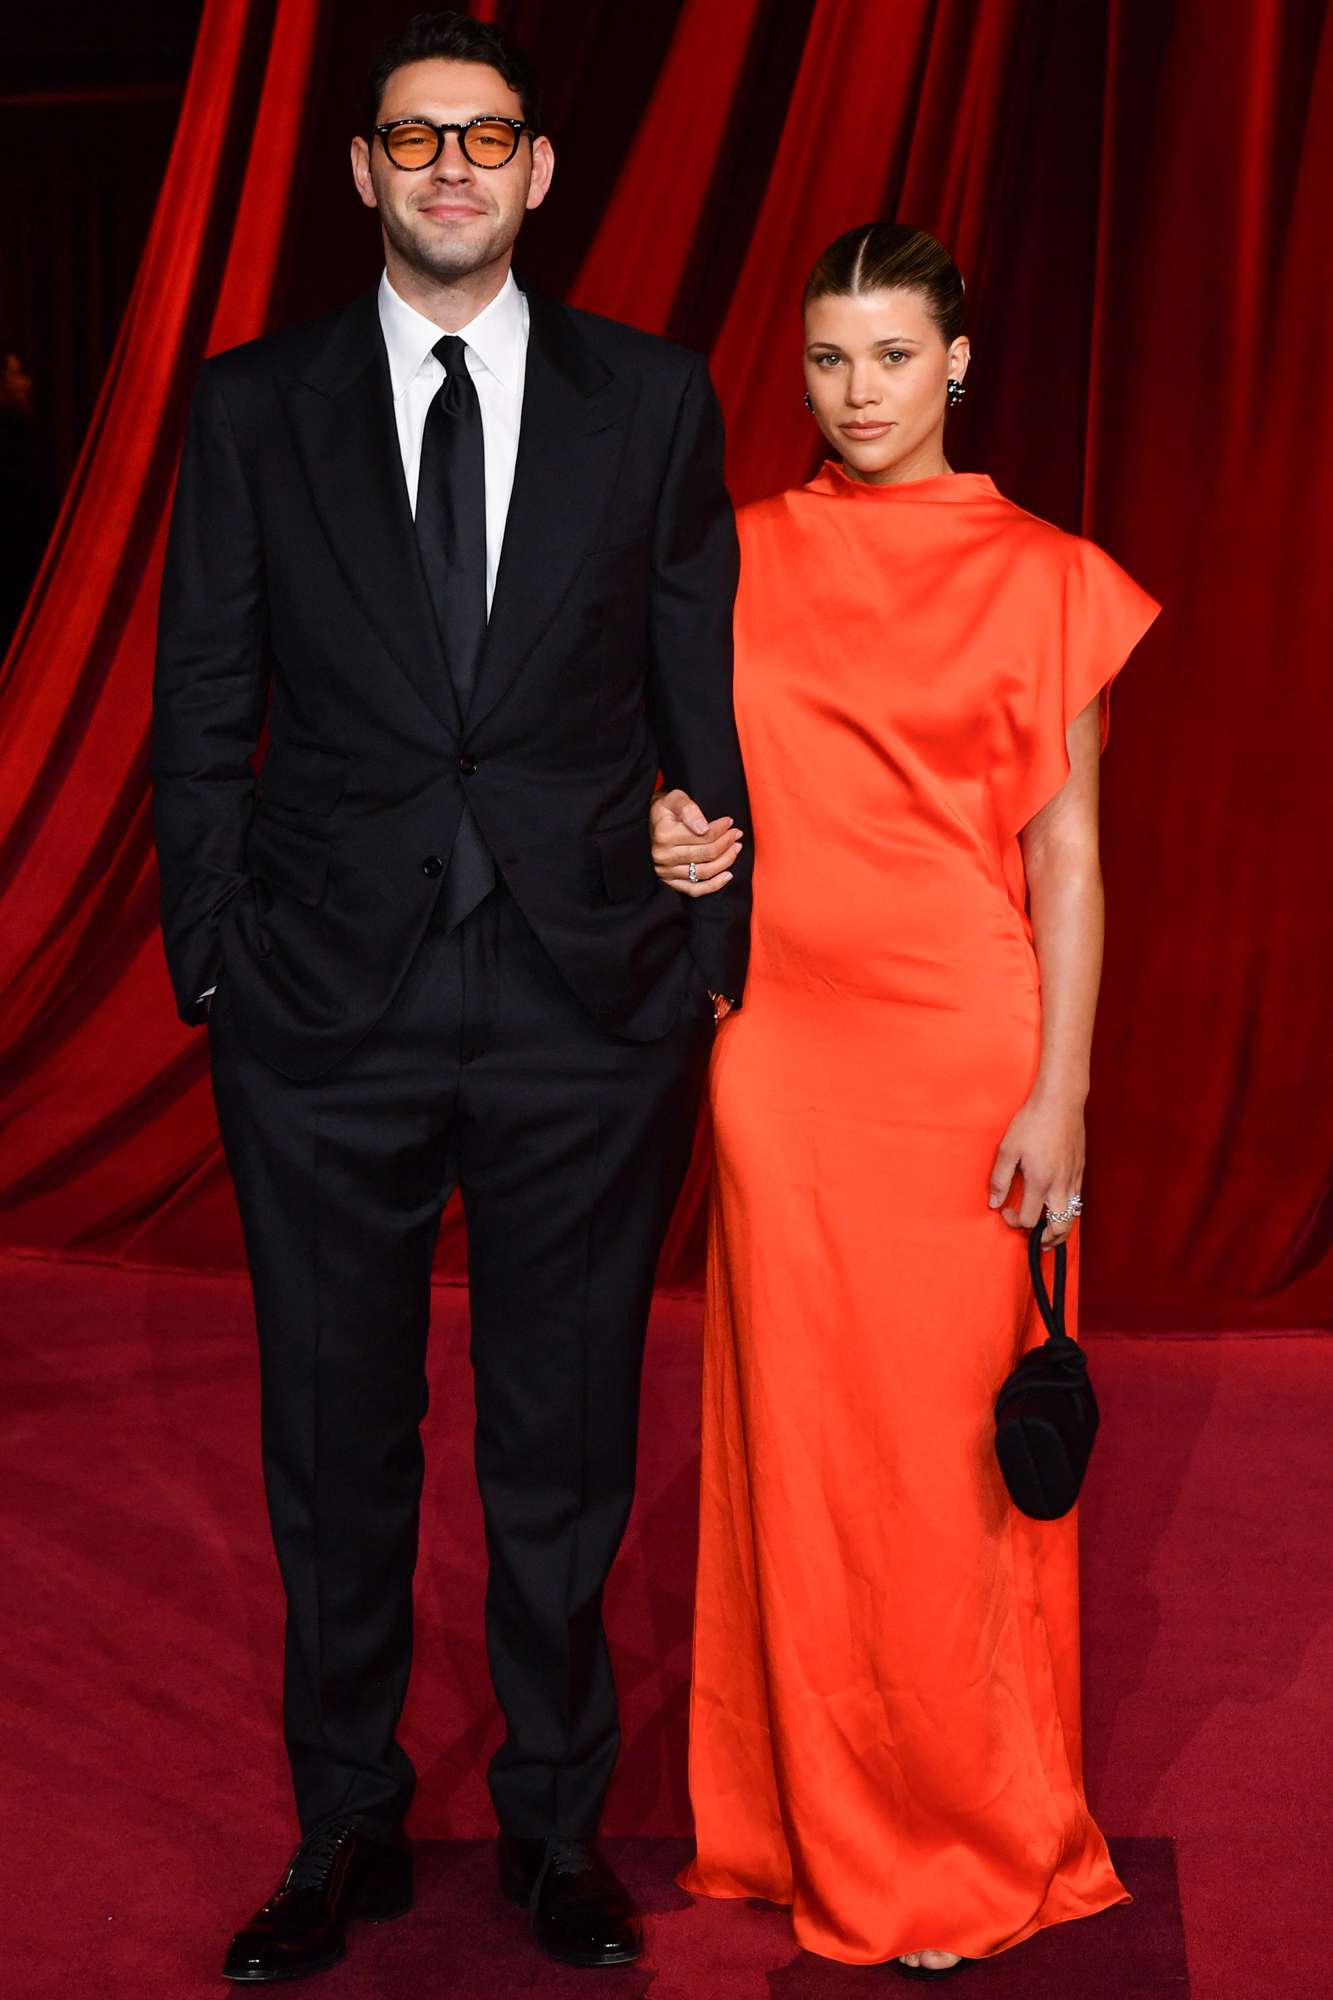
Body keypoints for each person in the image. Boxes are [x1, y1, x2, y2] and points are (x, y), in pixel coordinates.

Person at [151, 10, 750, 1982]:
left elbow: (693, 676)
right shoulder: (249, 408)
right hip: (320, 1007)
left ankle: (555, 1830)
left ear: (540, 171)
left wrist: (703, 930)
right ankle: (344, 1826)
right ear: (363, 173)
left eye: (484, 137)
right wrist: (215, 950)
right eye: (413, 141)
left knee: (561, 1438)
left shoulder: (651, 402)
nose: (449, 169)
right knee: (335, 1438)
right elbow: (205, 698)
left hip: (586, 999)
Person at [650, 222, 1159, 1979]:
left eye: (886, 358)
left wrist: (1061, 1094)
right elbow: (682, 786)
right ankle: (803, 1819)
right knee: (802, 1462)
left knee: (947, 1482)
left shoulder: (1046, 575)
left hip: (962, 1065)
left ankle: (960, 1837)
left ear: (952, 362)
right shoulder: (732, 558)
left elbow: (1071, 863)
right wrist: (666, 833)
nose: (853, 394)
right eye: (823, 360)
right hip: (778, 1056)